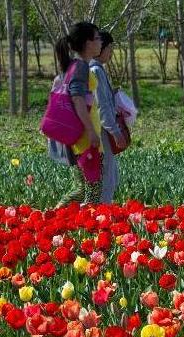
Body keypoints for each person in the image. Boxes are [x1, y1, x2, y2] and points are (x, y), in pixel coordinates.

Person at [53, 22, 103, 206]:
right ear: (87, 43)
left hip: (81, 138)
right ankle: (58, 218)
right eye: (97, 38)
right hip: (85, 139)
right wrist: (91, 132)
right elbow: (77, 99)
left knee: (83, 188)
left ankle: (54, 218)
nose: (100, 42)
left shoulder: (75, 66)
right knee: (92, 192)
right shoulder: (80, 67)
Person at [91, 31, 125, 204]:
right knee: (107, 178)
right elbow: (102, 106)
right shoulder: (95, 70)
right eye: (109, 48)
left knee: (105, 177)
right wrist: (115, 131)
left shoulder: (96, 69)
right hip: (102, 132)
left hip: (98, 130)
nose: (111, 53)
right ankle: (101, 217)